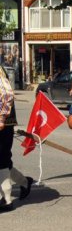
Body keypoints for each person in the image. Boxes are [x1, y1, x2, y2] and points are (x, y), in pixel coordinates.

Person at [0, 64, 33, 212]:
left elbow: (7, 94)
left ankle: (7, 200)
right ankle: (25, 182)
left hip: (3, 123)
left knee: (2, 160)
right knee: (4, 162)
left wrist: (2, 118)